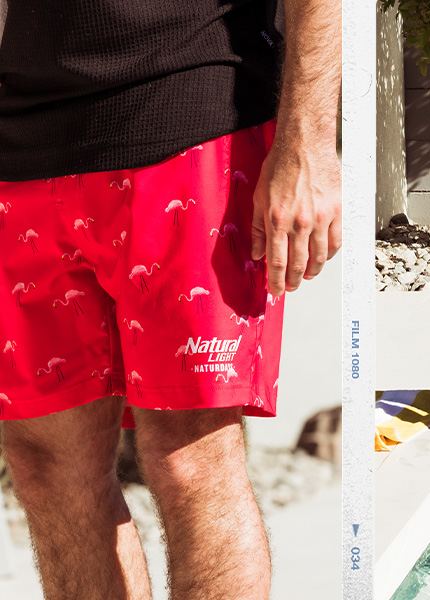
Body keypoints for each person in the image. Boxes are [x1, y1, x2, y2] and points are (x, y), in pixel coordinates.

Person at [0, 0, 340, 597]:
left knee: (190, 457)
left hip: (189, 114)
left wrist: (308, 141)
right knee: (46, 464)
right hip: (18, 142)